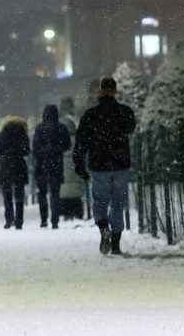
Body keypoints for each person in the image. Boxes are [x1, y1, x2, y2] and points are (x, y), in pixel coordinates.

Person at [73, 77, 137, 256]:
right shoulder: (125, 112)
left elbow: (81, 141)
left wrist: (79, 163)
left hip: (99, 164)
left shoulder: (91, 115)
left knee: (100, 201)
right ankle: (116, 241)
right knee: (118, 203)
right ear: (115, 91)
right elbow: (130, 128)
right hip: (120, 163)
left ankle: (103, 228)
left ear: (99, 91)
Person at [32, 104, 71, 229]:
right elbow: (67, 145)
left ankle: (44, 219)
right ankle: (55, 220)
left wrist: (42, 152)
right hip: (56, 163)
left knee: (42, 193)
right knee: (55, 193)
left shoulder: (39, 128)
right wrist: (56, 149)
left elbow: (35, 147)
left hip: (42, 164)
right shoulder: (61, 128)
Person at [0, 115, 31, 230]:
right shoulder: (22, 133)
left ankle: (9, 218)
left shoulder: (3, 134)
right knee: (19, 195)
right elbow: (27, 150)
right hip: (19, 164)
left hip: (6, 164)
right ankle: (19, 220)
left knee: (7, 194)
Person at [57, 97, 87, 220]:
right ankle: (77, 211)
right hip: (74, 171)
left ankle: (65, 212)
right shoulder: (77, 140)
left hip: (62, 172)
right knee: (75, 190)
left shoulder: (58, 140)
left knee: (64, 188)